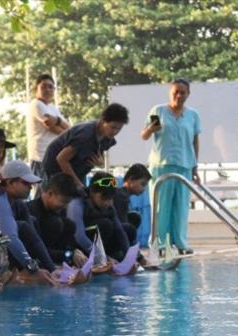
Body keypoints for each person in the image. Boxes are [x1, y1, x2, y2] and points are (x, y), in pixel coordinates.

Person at [141, 78, 201, 254]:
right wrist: (151, 128)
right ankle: (159, 243)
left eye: (183, 92)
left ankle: (180, 242)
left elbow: (195, 141)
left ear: (188, 94)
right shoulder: (158, 111)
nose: (179, 95)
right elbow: (144, 135)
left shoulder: (193, 115)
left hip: (184, 166)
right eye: (176, 91)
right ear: (170, 92)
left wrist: (195, 166)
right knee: (161, 206)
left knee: (181, 206)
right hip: (162, 165)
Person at [42, 103, 129, 190]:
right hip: (54, 168)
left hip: (76, 171)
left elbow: (98, 155)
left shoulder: (108, 139)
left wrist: (100, 163)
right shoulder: (85, 135)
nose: (115, 132)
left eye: (119, 129)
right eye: (113, 127)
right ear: (103, 121)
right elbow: (61, 159)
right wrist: (77, 184)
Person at [66, 171, 130, 261]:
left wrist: (132, 257)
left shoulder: (109, 206)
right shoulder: (77, 204)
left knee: (128, 229)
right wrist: (103, 257)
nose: (108, 203)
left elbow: (120, 231)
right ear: (92, 192)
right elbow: (79, 237)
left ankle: (112, 256)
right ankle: (96, 258)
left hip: (97, 244)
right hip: (77, 246)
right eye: (104, 199)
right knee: (106, 224)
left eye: (111, 199)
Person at [26, 172, 84, 266]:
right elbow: (34, 248)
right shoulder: (32, 212)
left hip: (55, 255)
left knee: (70, 224)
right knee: (55, 223)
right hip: (35, 256)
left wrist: (75, 252)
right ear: (50, 194)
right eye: (63, 202)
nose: (65, 206)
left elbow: (70, 244)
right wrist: (68, 255)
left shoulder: (59, 211)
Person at [27, 74, 70, 179]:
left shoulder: (52, 108)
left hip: (52, 157)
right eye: (44, 86)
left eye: (51, 87)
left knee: (52, 193)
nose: (48, 90)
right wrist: (66, 130)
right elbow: (54, 128)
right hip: (40, 158)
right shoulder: (36, 104)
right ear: (36, 89)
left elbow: (69, 127)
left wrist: (58, 120)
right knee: (41, 193)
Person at [114, 163, 152, 246]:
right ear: (131, 179)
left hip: (115, 228)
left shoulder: (123, 194)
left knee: (135, 217)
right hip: (111, 230)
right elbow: (121, 224)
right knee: (130, 226)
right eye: (142, 184)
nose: (144, 189)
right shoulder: (122, 197)